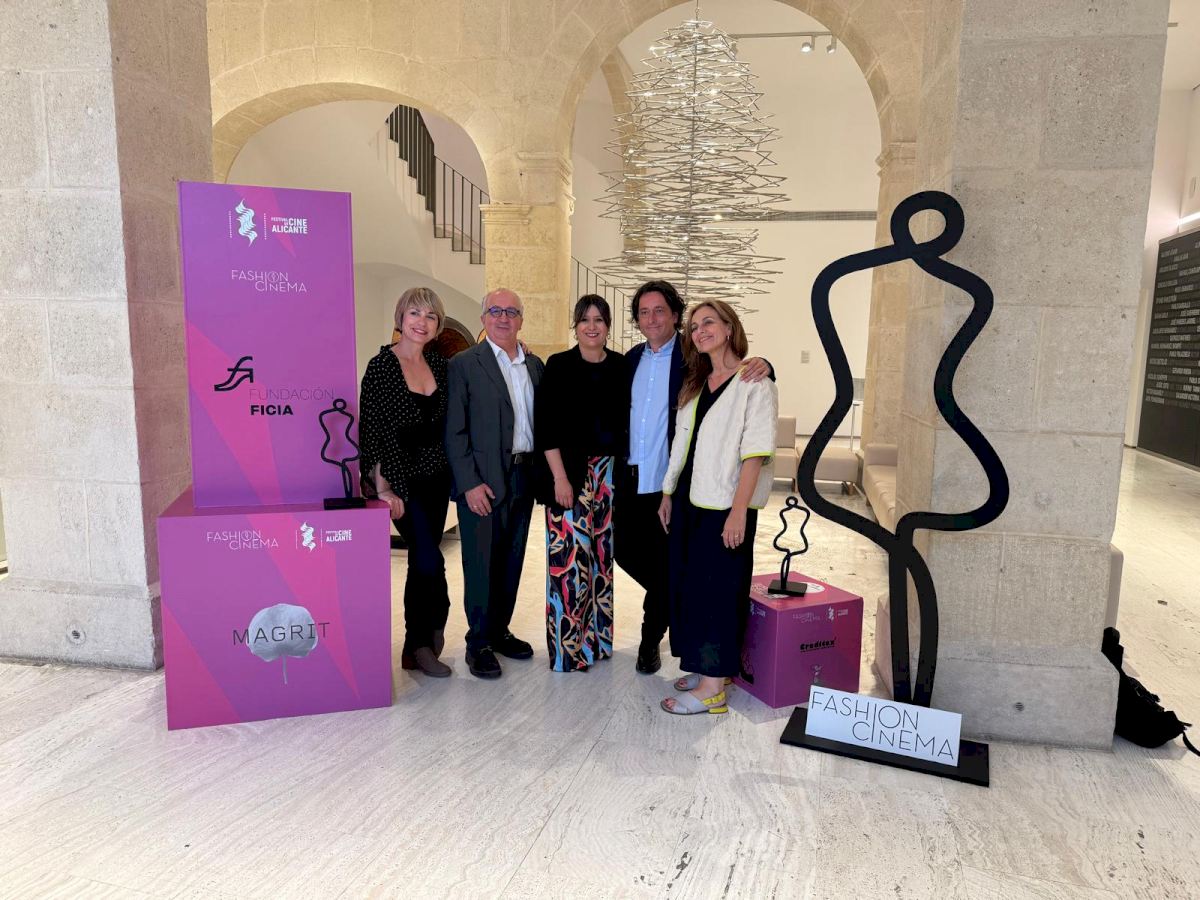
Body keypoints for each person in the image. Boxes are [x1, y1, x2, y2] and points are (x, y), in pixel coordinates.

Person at [616, 281, 772, 675]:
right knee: (634, 555)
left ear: (674, 315)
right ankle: (673, 596)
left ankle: (651, 639)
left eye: (660, 310)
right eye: (644, 312)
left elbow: (737, 376)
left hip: (678, 485)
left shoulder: (691, 357)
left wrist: (767, 364)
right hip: (633, 479)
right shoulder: (629, 360)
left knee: (674, 563)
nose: (652, 319)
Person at [657, 300, 777, 715]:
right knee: (691, 587)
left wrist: (739, 511)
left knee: (720, 592)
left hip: (726, 504)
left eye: (709, 322)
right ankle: (709, 669)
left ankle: (712, 690)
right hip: (690, 499)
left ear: (729, 328)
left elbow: (755, 453)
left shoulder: (755, 382)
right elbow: (682, 444)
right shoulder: (697, 382)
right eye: (694, 327)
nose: (700, 331)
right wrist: (668, 492)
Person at [445, 288, 544, 679]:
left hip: (523, 475)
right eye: (496, 311)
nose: (504, 317)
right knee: (481, 563)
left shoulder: (534, 365)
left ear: (521, 319)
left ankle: (499, 631)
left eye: (512, 311)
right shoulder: (464, 364)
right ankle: (479, 643)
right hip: (482, 481)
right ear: (484, 318)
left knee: (512, 559)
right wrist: (469, 484)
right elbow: (454, 431)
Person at [358, 287, 453, 678]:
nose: (421, 322)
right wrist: (382, 487)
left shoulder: (441, 365)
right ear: (400, 317)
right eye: (414, 313)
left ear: (438, 325)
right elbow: (373, 430)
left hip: (437, 477)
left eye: (430, 316)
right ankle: (425, 636)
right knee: (429, 558)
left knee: (423, 558)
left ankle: (416, 647)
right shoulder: (381, 366)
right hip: (401, 480)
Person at [536, 295, 629, 672]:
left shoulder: (622, 366)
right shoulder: (559, 365)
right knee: (570, 565)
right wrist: (559, 477)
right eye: (585, 319)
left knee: (601, 563)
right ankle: (566, 651)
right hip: (568, 475)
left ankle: (597, 643)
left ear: (608, 326)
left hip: (609, 476)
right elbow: (546, 427)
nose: (592, 326)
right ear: (575, 326)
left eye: (599, 320)